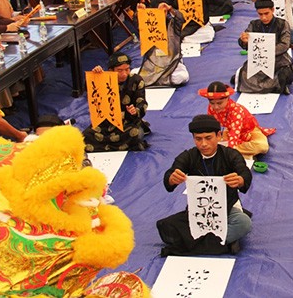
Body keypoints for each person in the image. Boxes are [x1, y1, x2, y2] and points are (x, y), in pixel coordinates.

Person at [157, 114, 252, 256]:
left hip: (227, 206)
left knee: (243, 223)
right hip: (199, 210)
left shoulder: (230, 155)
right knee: (166, 227)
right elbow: (170, 176)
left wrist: (240, 180)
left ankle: (195, 244)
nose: (203, 144)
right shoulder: (189, 156)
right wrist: (172, 179)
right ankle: (222, 244)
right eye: (198, 139)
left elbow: (245, 173)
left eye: (208, 138)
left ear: (218, 136)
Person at [82, 52, 149, 152]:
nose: (124, 74)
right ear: (111, 70)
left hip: (127, 122)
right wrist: (95, 76)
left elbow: (142, 102)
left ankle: (106, 146)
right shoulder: (103, 79)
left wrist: (135, 110)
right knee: (85, 136)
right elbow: (89, 90)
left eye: (127, 69)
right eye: (119, 70)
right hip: (105, 124)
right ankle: (116, 145)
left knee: (135, 133)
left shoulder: (136, 80)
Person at [236, 0, 293, 94]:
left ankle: (278, 86)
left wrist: (266, 51)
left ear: (273, 10)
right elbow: (245, 45)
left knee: (284, 75)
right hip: (258, 60)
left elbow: (284, 45)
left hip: (278, 60)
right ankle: (273, 87)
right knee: (243, 75)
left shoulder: (282, 24)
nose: (264, 17)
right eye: (260, 14)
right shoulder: (254, 24)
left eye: (266, 13)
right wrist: (243, 40)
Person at [199, 81, 274, 159]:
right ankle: (234, 151)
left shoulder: (236, 110)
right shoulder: (211, 108)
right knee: (207, 143)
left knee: (262, 147)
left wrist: (229, 151)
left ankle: (226, 151)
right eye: (212, 103)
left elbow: (235, 134)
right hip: (229, 131)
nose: (216, 107)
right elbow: (212, 127)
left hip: (249, 131)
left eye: (219, 103)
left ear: (227, 98)